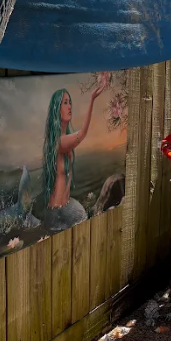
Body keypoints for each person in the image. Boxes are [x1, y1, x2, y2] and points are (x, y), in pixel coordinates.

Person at [41, 79, 107, 231]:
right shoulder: (59, 142)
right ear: (56, 109)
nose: (70, 106)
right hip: (57, 212)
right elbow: (83, 133)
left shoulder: (63, 138)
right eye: (65, 102)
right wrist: (91, 99)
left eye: (69, 102)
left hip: (65, 206)